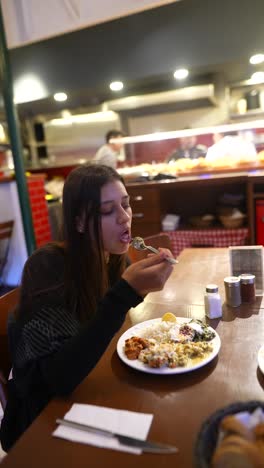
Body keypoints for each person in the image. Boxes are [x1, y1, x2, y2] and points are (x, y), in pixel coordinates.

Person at [0, 164, 174, 451]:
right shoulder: (47, 267)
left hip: (91, 382)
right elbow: (59, 377)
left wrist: (139, 286)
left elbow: (108, 321)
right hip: (44, 417)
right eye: (107, 211)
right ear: (79, 222)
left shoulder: (113, 258)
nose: (124, 217)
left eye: (126, 205)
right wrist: (126, 293)